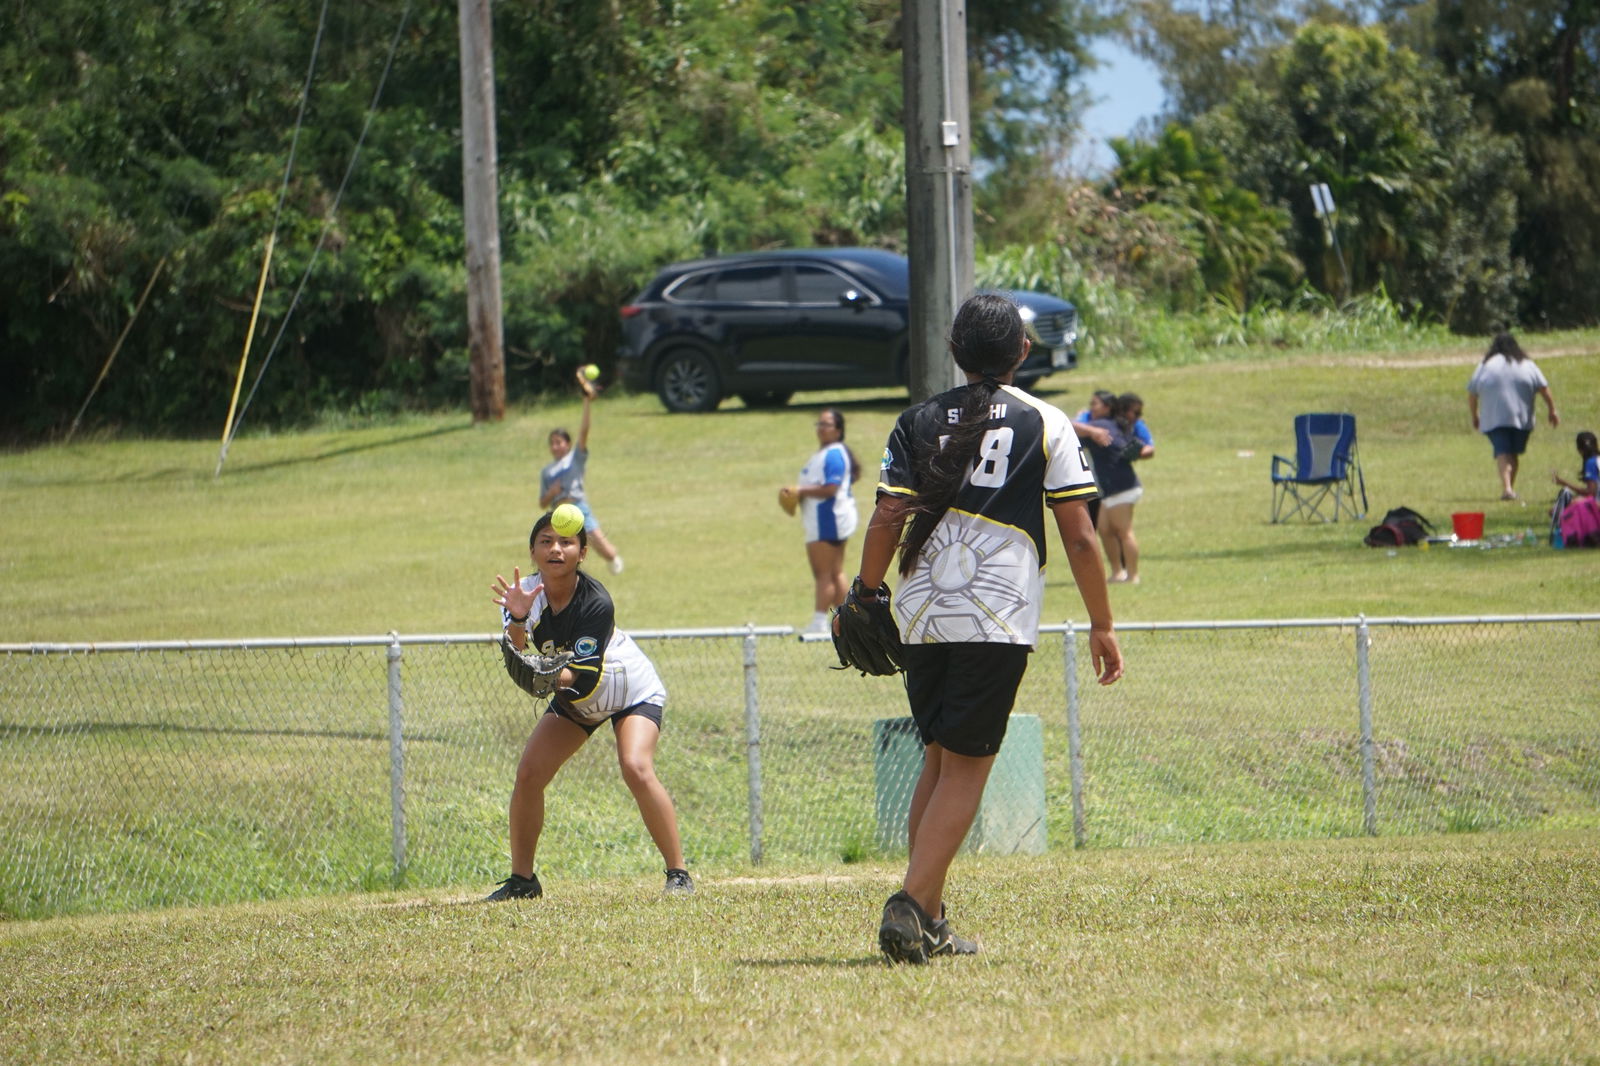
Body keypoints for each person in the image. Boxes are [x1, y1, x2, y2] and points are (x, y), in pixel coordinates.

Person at [847, 292, 1123, 964]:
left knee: (939, 760)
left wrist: (867, 591)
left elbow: (887, 513)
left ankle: (931, 919)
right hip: (994, 618)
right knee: (968, 768)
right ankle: (909, 906)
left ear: (953, 351)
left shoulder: (916, 419)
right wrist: (1102, 623)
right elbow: (1082, 538)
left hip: (920, 613)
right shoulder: (1046, 422)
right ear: (1023, 352)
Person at [486, 510, 692, 900]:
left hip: (629, 690)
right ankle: (522, 882)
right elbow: (515, 648)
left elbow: (582, 675)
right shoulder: (524, 593)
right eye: (545, 540)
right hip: (577, 700)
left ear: (582, 553)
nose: (555, 548)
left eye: (566, 542)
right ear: (532, 550)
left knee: (635, 766)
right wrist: (516, 615)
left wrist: (546, 677)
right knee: (529, 774)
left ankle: (679, 873)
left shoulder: (595, 601)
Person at [784, 407, 861, 635]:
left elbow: (830, 488)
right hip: (822, 518)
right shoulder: (824, 454)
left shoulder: (834, 454)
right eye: (819, 424)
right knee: (835, 572)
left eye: (827, 424)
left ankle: (819, 622)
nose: (821, 428)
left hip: (829, 517)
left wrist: (799, 490)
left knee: (824, 572)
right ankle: (848, 622)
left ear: (838, 430)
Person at [541, 369, 625, 574]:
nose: (555, 446)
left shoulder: (575, 460)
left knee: (601, 546)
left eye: (559, 442)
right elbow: (542, 502)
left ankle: (613, 558)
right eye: (552, 443)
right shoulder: (547, 471)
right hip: (558, 514)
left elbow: (584, 430)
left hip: (577, 508)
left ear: (568, 445)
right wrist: (551, 492)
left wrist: (587, 401)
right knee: (556, 550)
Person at [1467, 332, 1559, 501]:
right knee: (1510, 452)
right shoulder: (1527, 364)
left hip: (1494, 417)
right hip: (1521, 417)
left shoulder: (1486, 365)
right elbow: (1543, 388)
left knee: (1505, 452)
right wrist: (1552, 410)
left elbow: (1472, 393)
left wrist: (1475, 415)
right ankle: (1508, 488)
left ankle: (1508, 488)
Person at [1082, 395, 1144, 583]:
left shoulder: (1103, 425)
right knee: (1106, 530)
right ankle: (1118, 573)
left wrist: (1089, 428)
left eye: (1095, 404)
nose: (1091, 407)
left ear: (1107, 407)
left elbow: (1069, 426)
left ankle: (1133, 575)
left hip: (1122, 487)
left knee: (1124, 532)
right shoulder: (1100, 425)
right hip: (1109, 489)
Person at [1552, 430, 1599, 499]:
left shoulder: (1591, 463)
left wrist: (1565, 483)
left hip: (1596, 507)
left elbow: (1590, 492)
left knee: (1565, 493)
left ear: (1579, 449)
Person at [1119, 392, 1156, 461]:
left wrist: (1136, 454)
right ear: (1122, 410)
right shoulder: (1105, 420)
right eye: (1136, 413)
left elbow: (1149, 448)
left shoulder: (1137, 424)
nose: (1139, 416)